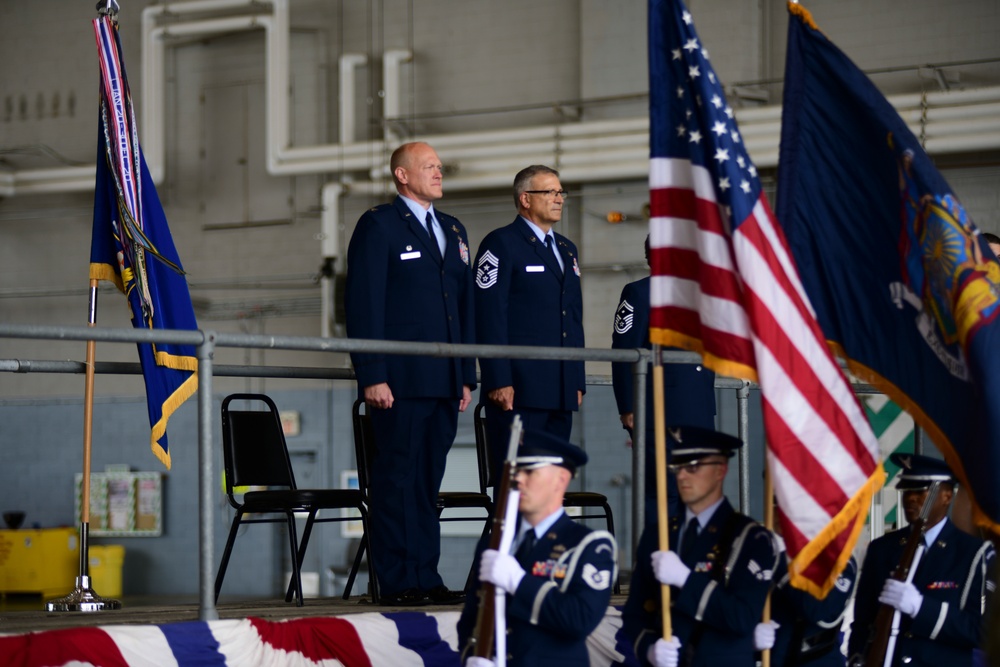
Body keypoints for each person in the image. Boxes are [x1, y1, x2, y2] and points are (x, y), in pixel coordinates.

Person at [344, 141, 477, 606]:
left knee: (427, 482)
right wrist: (371, 373)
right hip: (397, 381)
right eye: (429, 166)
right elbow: (364, 303)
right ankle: (397, 581)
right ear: (402, 175)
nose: (439, 172)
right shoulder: (379, 225)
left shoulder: (453, 228)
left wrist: (466, 374)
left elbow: (463, 307)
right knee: (396, 479)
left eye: (441, 166)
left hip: (444, 381)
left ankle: (425, 577)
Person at [457, 429, 618, 666]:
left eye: (530, 471)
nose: (519, 479)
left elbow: (580, 620)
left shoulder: (588, 546)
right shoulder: (494, 543)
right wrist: (473, 657)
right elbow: (472, 619)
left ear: (561, 479)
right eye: (517, 471)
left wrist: (519, 582)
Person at [622, 426, 778, 667]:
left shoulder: (750, 537)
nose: (682, 476)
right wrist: (649, 649)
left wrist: (686, 579)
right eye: (677, 467)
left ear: (720, 470)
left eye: (692, 467)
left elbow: (741, 617)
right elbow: (635, 613)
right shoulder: (658, 535)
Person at [474, 165, 586, 476]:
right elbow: (489, 314)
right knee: (517, 486)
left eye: (560, 192)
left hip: (560, 390)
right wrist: (498, 378)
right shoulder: (501, 244)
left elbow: (573, 318)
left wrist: (576, 379)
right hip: (519, 390)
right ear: (525, 198)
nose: (559, 198)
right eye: (550, 192)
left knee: (549, 484)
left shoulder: (566, 250)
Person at [847, 453, 995, 667]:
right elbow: (863, 621)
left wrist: (921, 607)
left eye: (921, 491)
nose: (911, 498)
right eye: (907, 491)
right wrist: (857, 659)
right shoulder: (882, 549)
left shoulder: (974, 554)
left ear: (946, 496)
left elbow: (983, 632)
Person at [612, 234, 716, 523]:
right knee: (663, 495)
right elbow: (623, 352)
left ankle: (690, 565)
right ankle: (658, 563)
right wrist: (628, 408)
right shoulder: (639, 293)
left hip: (701, 414)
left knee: (700, 497)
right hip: (660, 415)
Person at [753, 508, 858, 666]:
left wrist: (784, 564)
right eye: (775, 508)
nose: (777, 516)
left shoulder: (837, 560)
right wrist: (749, 638)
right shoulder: (763, 554)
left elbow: (820, 610)